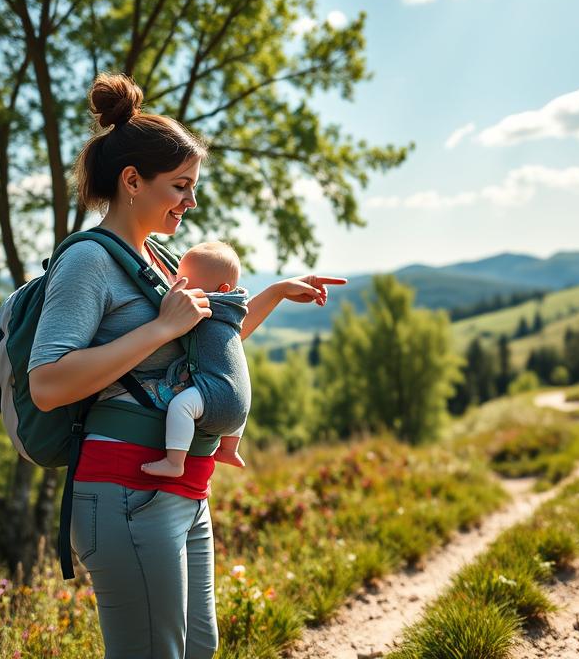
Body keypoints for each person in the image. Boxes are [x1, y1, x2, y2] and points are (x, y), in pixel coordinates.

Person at [27, 72, 345, 659]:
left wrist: (272, 294)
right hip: (124, 492)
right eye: (180, 185)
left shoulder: (162, 259)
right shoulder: (88, 263)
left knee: (198, 648)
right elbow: (47, 385)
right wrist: (159, 327)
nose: (191, 202)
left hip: (184, 491)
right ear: (131, 181)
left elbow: (203, 356)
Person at [139, 241, 251, 477]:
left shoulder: (210, 309)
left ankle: (174, 462)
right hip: (241, 403)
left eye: (188, 284)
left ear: (221, 290)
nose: (180, 288)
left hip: (216, 394)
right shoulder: (234, 309)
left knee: (182, 406)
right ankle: (229, 450)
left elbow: (177, 324)